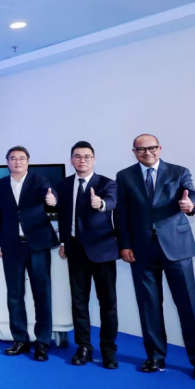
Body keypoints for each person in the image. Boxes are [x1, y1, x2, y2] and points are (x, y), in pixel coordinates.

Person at [115, 134, 195, 380]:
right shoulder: (124, 176)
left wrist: (191, 205)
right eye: (141, 149)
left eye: (152, 148)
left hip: (176, 248)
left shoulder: (179, 172)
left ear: (160, 148)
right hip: (141, 250)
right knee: (148, 306)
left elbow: (193, 194)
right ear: (134, 152)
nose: (147, 152)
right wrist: (124, 245)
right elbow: (121, 213)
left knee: (188, 306)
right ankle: (155, 357)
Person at [0, 145, 59, 361]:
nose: (17, 161)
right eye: (13, 158)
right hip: (11, 246)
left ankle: (42, 343)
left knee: (42, 294)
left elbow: (50, 194)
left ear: (28, 161)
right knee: (14, 294)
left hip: (37, 245)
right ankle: (19, 339)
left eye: (21, 158)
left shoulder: (39, 180)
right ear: (7, 162)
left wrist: (52, 200)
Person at [56, 141, 119, 369]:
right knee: (79, 302)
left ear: (94, 160)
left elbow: (112, 201)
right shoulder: (63, 185)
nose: (82, 160)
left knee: (108, 303)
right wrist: (64, 241)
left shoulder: (106, 183)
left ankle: (108, 350)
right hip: (75, 251)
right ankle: (83, 347)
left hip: (102, 251)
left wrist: (100, 203)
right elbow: (63, 215)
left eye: (87, 157)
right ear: (71, 160)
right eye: (77, 156)